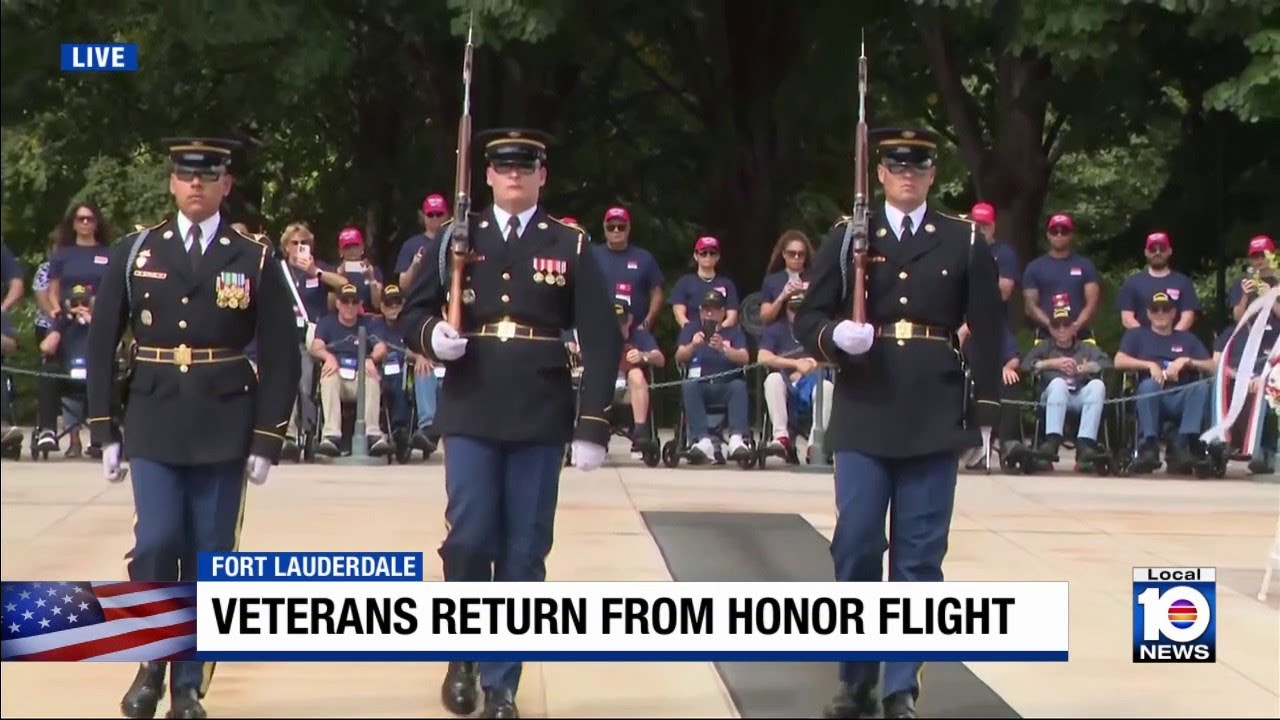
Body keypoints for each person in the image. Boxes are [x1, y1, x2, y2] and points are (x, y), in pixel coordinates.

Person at [400, 127, 622, 720]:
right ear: (489, 176)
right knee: (469, 538)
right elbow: (412, 312)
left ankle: (503, 684)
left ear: (542, 176)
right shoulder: (456, 236)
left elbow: (602, 338)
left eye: (526, 167)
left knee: (524, 551)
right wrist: (432, 336)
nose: (515, 175)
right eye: (504, 167)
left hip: (538, 407)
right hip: (472, 401)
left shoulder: (568, 244)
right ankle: (463, 653)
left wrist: (594, 423)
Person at [793, 127, 1004, 720]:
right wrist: (832, 335)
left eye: (919, 166)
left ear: (933, 175)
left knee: (918, 556)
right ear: (880, 173)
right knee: (856, 544)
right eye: (896, 165)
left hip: (934, 409)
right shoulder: (849, 236)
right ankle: (855, 677)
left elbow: (987, 328)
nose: (907, 174)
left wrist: (985, 412)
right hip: (865, 403)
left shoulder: (962, 240)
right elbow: (808, 315)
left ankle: (899, 686)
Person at [86, 136, 300, 720]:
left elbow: (283, 351)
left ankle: (188, 681)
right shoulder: (138, 250)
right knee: (156, 544)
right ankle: (150, 661)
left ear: (226, 185)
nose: (197, 184)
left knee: (210, 552)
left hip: (224, 418)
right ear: (173, 183)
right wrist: (104, 427)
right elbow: (103, 340)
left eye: (209, 176)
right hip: (154, 415)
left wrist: (267, 437)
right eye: (187, 175)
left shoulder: (253, 255)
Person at [1113, 291, 1214, 474]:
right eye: (1155, 309)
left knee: (1200, 387)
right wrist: (1149, 365)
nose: (1161, 313)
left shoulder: (1187, 338)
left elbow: (1212, 366)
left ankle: (1185, 443)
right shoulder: (1137, 335)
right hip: (1151, 394)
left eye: (1165, 309)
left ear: (1173, 313)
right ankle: (1149, 445)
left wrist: (1187, 361)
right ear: (1149, 313)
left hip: (1180, 394)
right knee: (1149, 385)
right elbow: (1118, 361)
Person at [1022, 306, 1113, 463]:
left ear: (1074, 327)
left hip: (1078, 395)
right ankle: (1052, 441)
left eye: (1066, 325)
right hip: (1051, 397)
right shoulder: (1045, 347)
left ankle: (1085, 443)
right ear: (1050, 328)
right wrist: (1050, 364)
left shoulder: (1086, 347)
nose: (1061, 329)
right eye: (1056, 325)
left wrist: (1084, 368)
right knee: (1058, 384)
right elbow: (1025, 365)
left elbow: (1107, 363)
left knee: (1098, 385)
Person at [311, 283, 391, 457]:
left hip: (359, 375)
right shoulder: (327, 322)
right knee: (328, 376)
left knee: (371, 377)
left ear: (360, 304)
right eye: (345, 301)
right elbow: (315, 347)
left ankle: (372, 434)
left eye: (354, 302)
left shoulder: (370, 322)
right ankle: (331, 435)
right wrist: (328, 357)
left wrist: (370, 359)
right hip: (337, 375)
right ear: (338, 303)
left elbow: (381, 347)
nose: (349, 305)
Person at [674, 289, 752, 462]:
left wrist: (724, 349)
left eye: (715, 309)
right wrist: (693, 346)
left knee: (739, 386)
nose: (710, 313)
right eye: (706, 309)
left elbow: (745, 358)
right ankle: (702, 439)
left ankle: (737, 439)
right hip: (700, 385)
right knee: (688, 384)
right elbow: (679, 357)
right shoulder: (690, 329)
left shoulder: (733, 332)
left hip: (725, 385)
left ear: (723, 312)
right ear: (701, 311)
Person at [758, 292, 832, 455]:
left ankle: (815, 445)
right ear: (786, 309)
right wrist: (795, 364)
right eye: (793, 309)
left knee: (827, 387)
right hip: (787, 384)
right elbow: (762, 357)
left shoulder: (819, 329)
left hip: (814, 383)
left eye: (800, 309)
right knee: (772, 379)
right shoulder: (776, 329)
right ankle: (780, 436)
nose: (796, 314)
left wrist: (812, 364)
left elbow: (835, 356)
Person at [368, 284, 438, 454]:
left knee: (413, 379)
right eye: (389, 303)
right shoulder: (376, 324)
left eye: (397, 303)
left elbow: (419, 346)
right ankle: (394, 430)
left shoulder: (410, 323)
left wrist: (419, 355)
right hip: (382, 373)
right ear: (382, 306)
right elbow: (379, 346)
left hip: (406, 373)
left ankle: (416, 430)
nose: (393, 307)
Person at [34, 283, 97, 457]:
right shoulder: (61, 324)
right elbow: (46, 348)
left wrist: (93, 323)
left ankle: (101, 438)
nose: (80, 308)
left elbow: (114, 346)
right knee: (47, 371)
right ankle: (48, 432)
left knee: (112, 377)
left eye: (84, 303)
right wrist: (63, 324)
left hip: (95, 378)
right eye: (75, 304)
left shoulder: (100, 323)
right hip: (67, 377)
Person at [1022, 213, 1101, 341]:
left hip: (1081, 334)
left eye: (1064, 231)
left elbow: (1092, 303)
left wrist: (1075, 326)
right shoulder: (1034, 267)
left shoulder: (1085, 265)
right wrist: (1053, 327)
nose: (1059, 235)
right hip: (1046, 335)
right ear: (1048, 235)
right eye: (1054, 231)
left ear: (1071, 235)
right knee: (1039, 361)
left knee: (1095, 362)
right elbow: (1030, 306)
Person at [592, 206, 665, 331]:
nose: (616, 231)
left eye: (621, 227)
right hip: (599, 329)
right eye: (611, 227)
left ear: (628, 228)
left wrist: (647, 322)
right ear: (604, 228)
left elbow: (657, 291)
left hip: (635, 331)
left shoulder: (644, 258)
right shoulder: (592, 255)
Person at [611, 297, 664, 454]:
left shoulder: (640, 336)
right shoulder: (601, 336)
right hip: (604, 388)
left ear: (629, 320)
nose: (617, 326)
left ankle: (640, 429)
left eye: (621, 322)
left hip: (629, 390)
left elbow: (660, 359)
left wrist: (643, 356)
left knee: (636, 373)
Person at [1117, 231, 1199, 330]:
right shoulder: (1132, 282)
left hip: (1175, 341)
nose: (1157, 252)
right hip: (1140, 342)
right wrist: (1146, 338)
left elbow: (1188, 316)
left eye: (1162, 249)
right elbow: (1127, 318)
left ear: (1169, 251)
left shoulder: (1183, 282)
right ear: (1146, 252)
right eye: (1153, 249)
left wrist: (1172, 338)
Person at [47, 202, 112, 310]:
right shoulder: (61, 255)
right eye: (80, 219)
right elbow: (53, 293)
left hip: (100, 316)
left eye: (89, 219)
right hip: (68, 316)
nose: (85, 222)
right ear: (73, 224)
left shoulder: (110, 255)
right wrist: (57, 310)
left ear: (96, 224)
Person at [669, 235, 740, 327]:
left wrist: (718, 330)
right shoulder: (684, 282)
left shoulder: (727, 284)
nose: (708, 256)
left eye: (712, 253)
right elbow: (679, 314)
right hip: (691, 334)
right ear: (696, 255)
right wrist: (691, 331)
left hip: (721, 335)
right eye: (703, 253)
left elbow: (732, 316)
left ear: (718, 256)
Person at [758, 230, 815, 326]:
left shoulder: (814, 278)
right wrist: (782, 296)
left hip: (806, 332)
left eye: (801, 254)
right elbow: (765, 318)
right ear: (784, 254)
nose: (796, 257)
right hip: (779, 335)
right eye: (792, 253)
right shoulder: (772, 280)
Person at [396, 193, 451, 290]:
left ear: (447, 215)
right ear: (423, 216)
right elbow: (403, 285)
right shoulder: (411, 245)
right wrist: (415, 264)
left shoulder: (454, 242)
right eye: (430, 214)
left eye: (439, 214)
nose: (435, 218)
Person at [330, 226, 383, 313]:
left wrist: (372, 279)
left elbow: (377, 304)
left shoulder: (373, 270)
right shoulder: (334, 272)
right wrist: (339, 278)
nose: (352, 250)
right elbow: (331, 307)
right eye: (347, 247)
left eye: (355, 246)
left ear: (362, 247)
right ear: (340, 251)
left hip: (367, 319)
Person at [1228, 235, 1278, 323]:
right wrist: (1245, 296)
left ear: (1272, 255)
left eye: (1263, 256)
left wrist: (1270, 297)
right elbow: (1238, 318)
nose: (1259, 260)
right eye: (1255, 256)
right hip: (1251, 333)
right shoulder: (1242, 282)